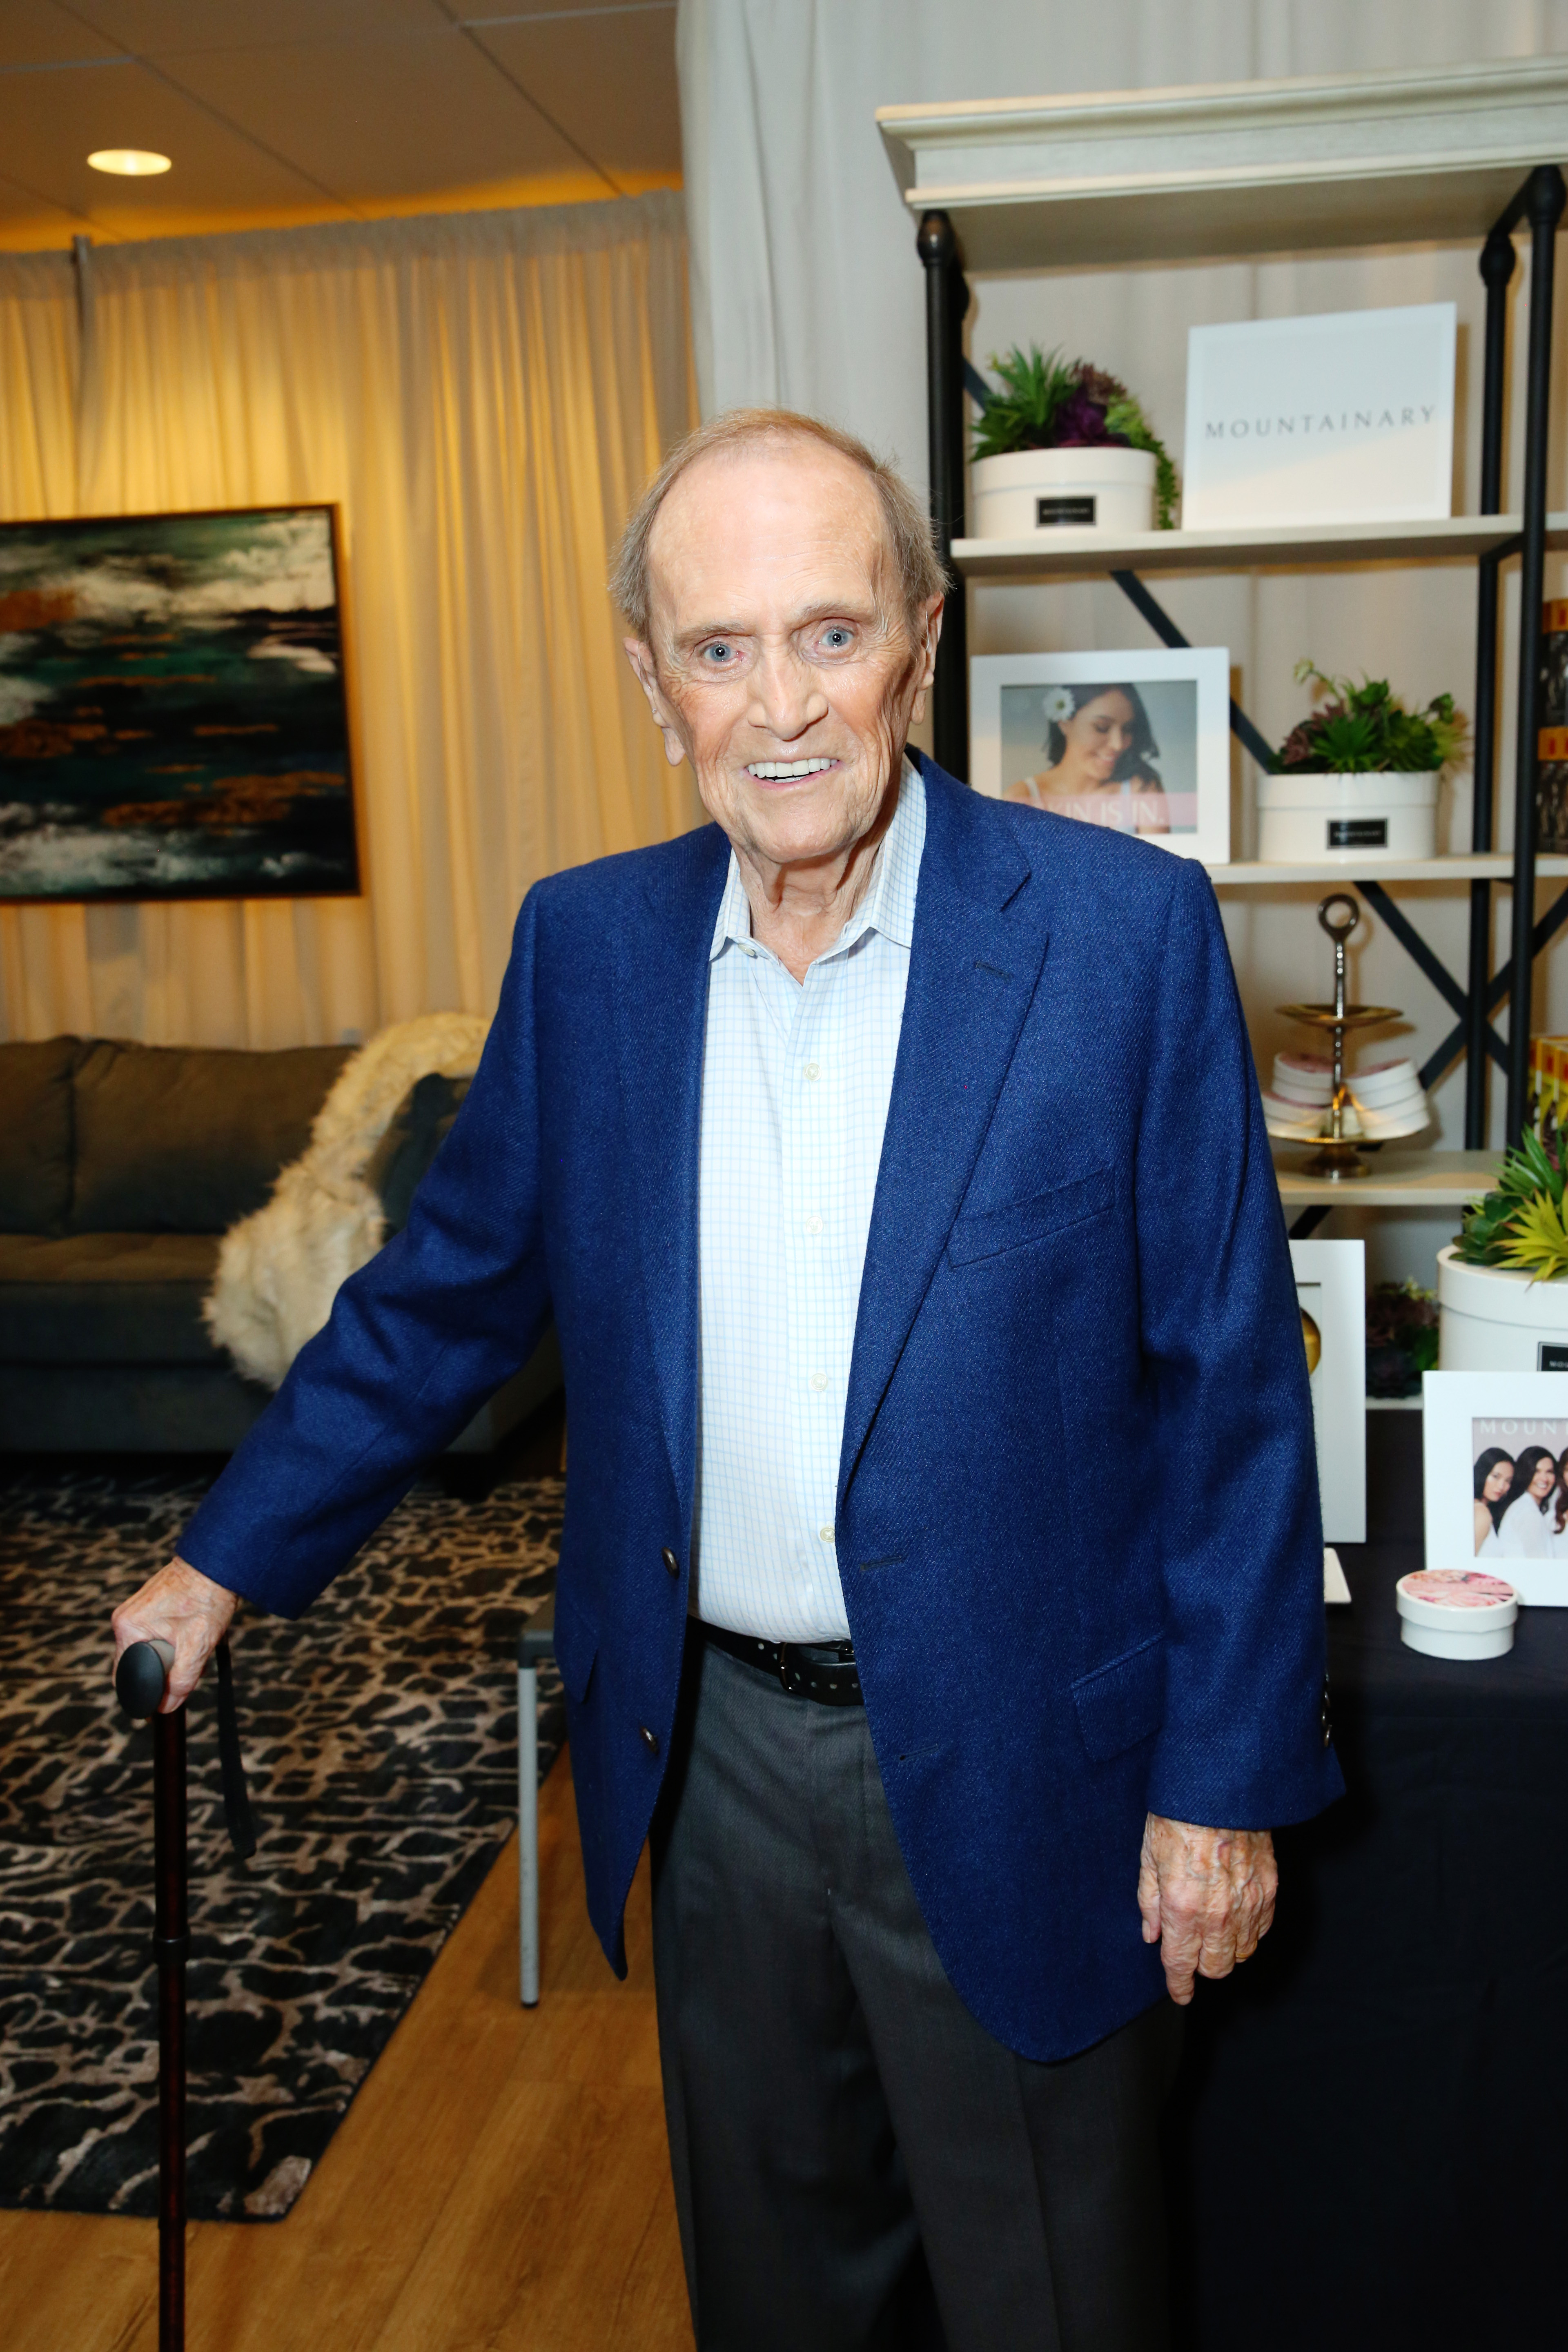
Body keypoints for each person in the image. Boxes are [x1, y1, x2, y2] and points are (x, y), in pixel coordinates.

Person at [109, 409, 1339, 2352]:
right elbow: (441, 1300)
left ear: (920, 639)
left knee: (1055, 2302)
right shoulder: (588, 949)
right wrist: (221, 1566)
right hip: (719, 1760)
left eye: (832, 633)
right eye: (719, 647)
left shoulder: (1119, 941)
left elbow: (1229, 1398)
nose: (781, 704)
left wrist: (1220, 1784)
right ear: (649, 676)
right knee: (778, 2299)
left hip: (1036, 1765)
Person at [1004, 680, 1169, 836]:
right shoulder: (1021, 797)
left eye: (1127, 729)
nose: (1118, 744)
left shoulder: (1142, 789)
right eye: (1102, 728)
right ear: (1065, 722)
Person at [1496, 1445, 1558, 1559]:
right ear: (1525, 1474)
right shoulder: (1528, 1512)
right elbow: (1540, 1565)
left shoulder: (1524, 1506)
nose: (1544, 1479)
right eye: (1537, 1471)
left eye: (1549, 1472)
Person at [1473, 1446, 1514, 1557]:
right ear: (1483, 1473)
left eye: (1508, 1481)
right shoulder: (1481, 1512)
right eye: (1496, 1477)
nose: (1502, 1486)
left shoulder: (1482, 1509)